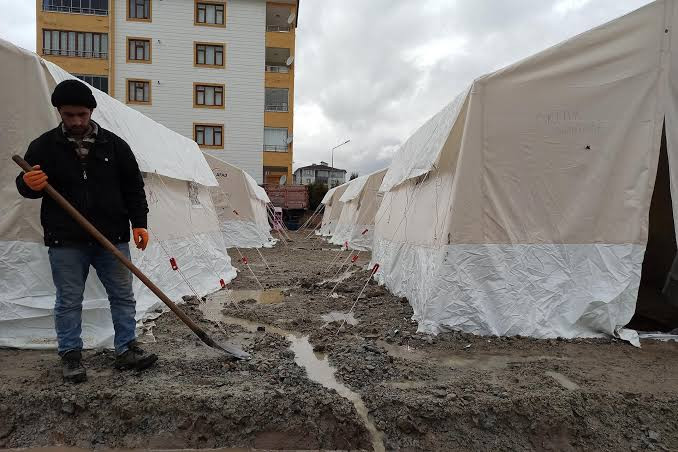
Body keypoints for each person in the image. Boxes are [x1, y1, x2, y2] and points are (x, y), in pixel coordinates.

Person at [15, 79, 158, 383]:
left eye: (82, 114)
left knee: (122, 295)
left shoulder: (115, 146)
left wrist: (140, 223)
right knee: (68, 299)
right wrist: (27, 184)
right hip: (66, 239)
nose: (77, 121)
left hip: (112, 236)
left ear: (91, 111)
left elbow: (134, 187)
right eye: (69, 115)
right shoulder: (44, 146)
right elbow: (27, 183)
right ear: (60, 113)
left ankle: (127, 349)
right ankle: (71, 356)